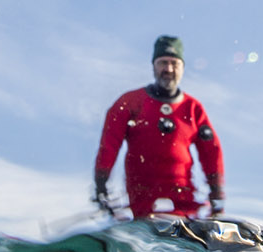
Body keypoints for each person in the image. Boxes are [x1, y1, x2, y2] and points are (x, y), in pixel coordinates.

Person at [93, 35, 226, 220]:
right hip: (141, 206)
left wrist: (217, 194)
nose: (168, 69)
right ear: (153, 66)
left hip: (184, 206)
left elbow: (212, 153)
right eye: (163, 62)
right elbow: (109, 145)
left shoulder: (193, 109)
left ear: (182, 68)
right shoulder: (130, 103)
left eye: (174, 63)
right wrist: (101, 186)